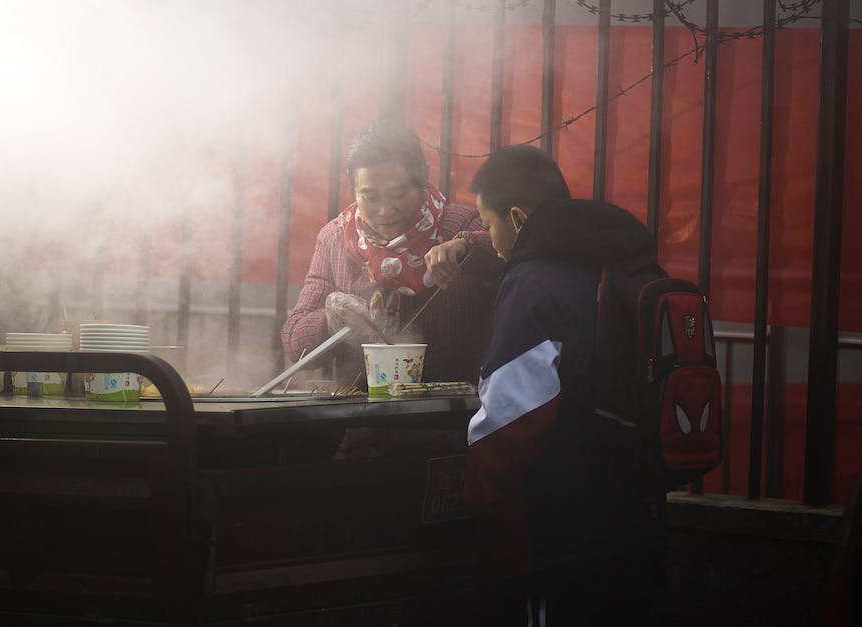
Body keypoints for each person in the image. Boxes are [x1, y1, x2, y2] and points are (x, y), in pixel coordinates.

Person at [463, 145, 666, 626]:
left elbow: (510, 421)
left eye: (489, 225)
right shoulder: (616, 262)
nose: (491, 243)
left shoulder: (531, 283)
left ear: (516, 217)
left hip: (557, 532)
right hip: (633, 519)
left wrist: (478, 500)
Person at [281, 121, 501, 386]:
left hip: (451, 414)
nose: (385, 211)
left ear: (423, 178)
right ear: (354, 189)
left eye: (399, 194)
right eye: (371, 197)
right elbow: (294, 342)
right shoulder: (335, 239)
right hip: (359, 415)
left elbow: (512, 258)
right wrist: (328, 320)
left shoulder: (458, 224)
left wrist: (467, 246)